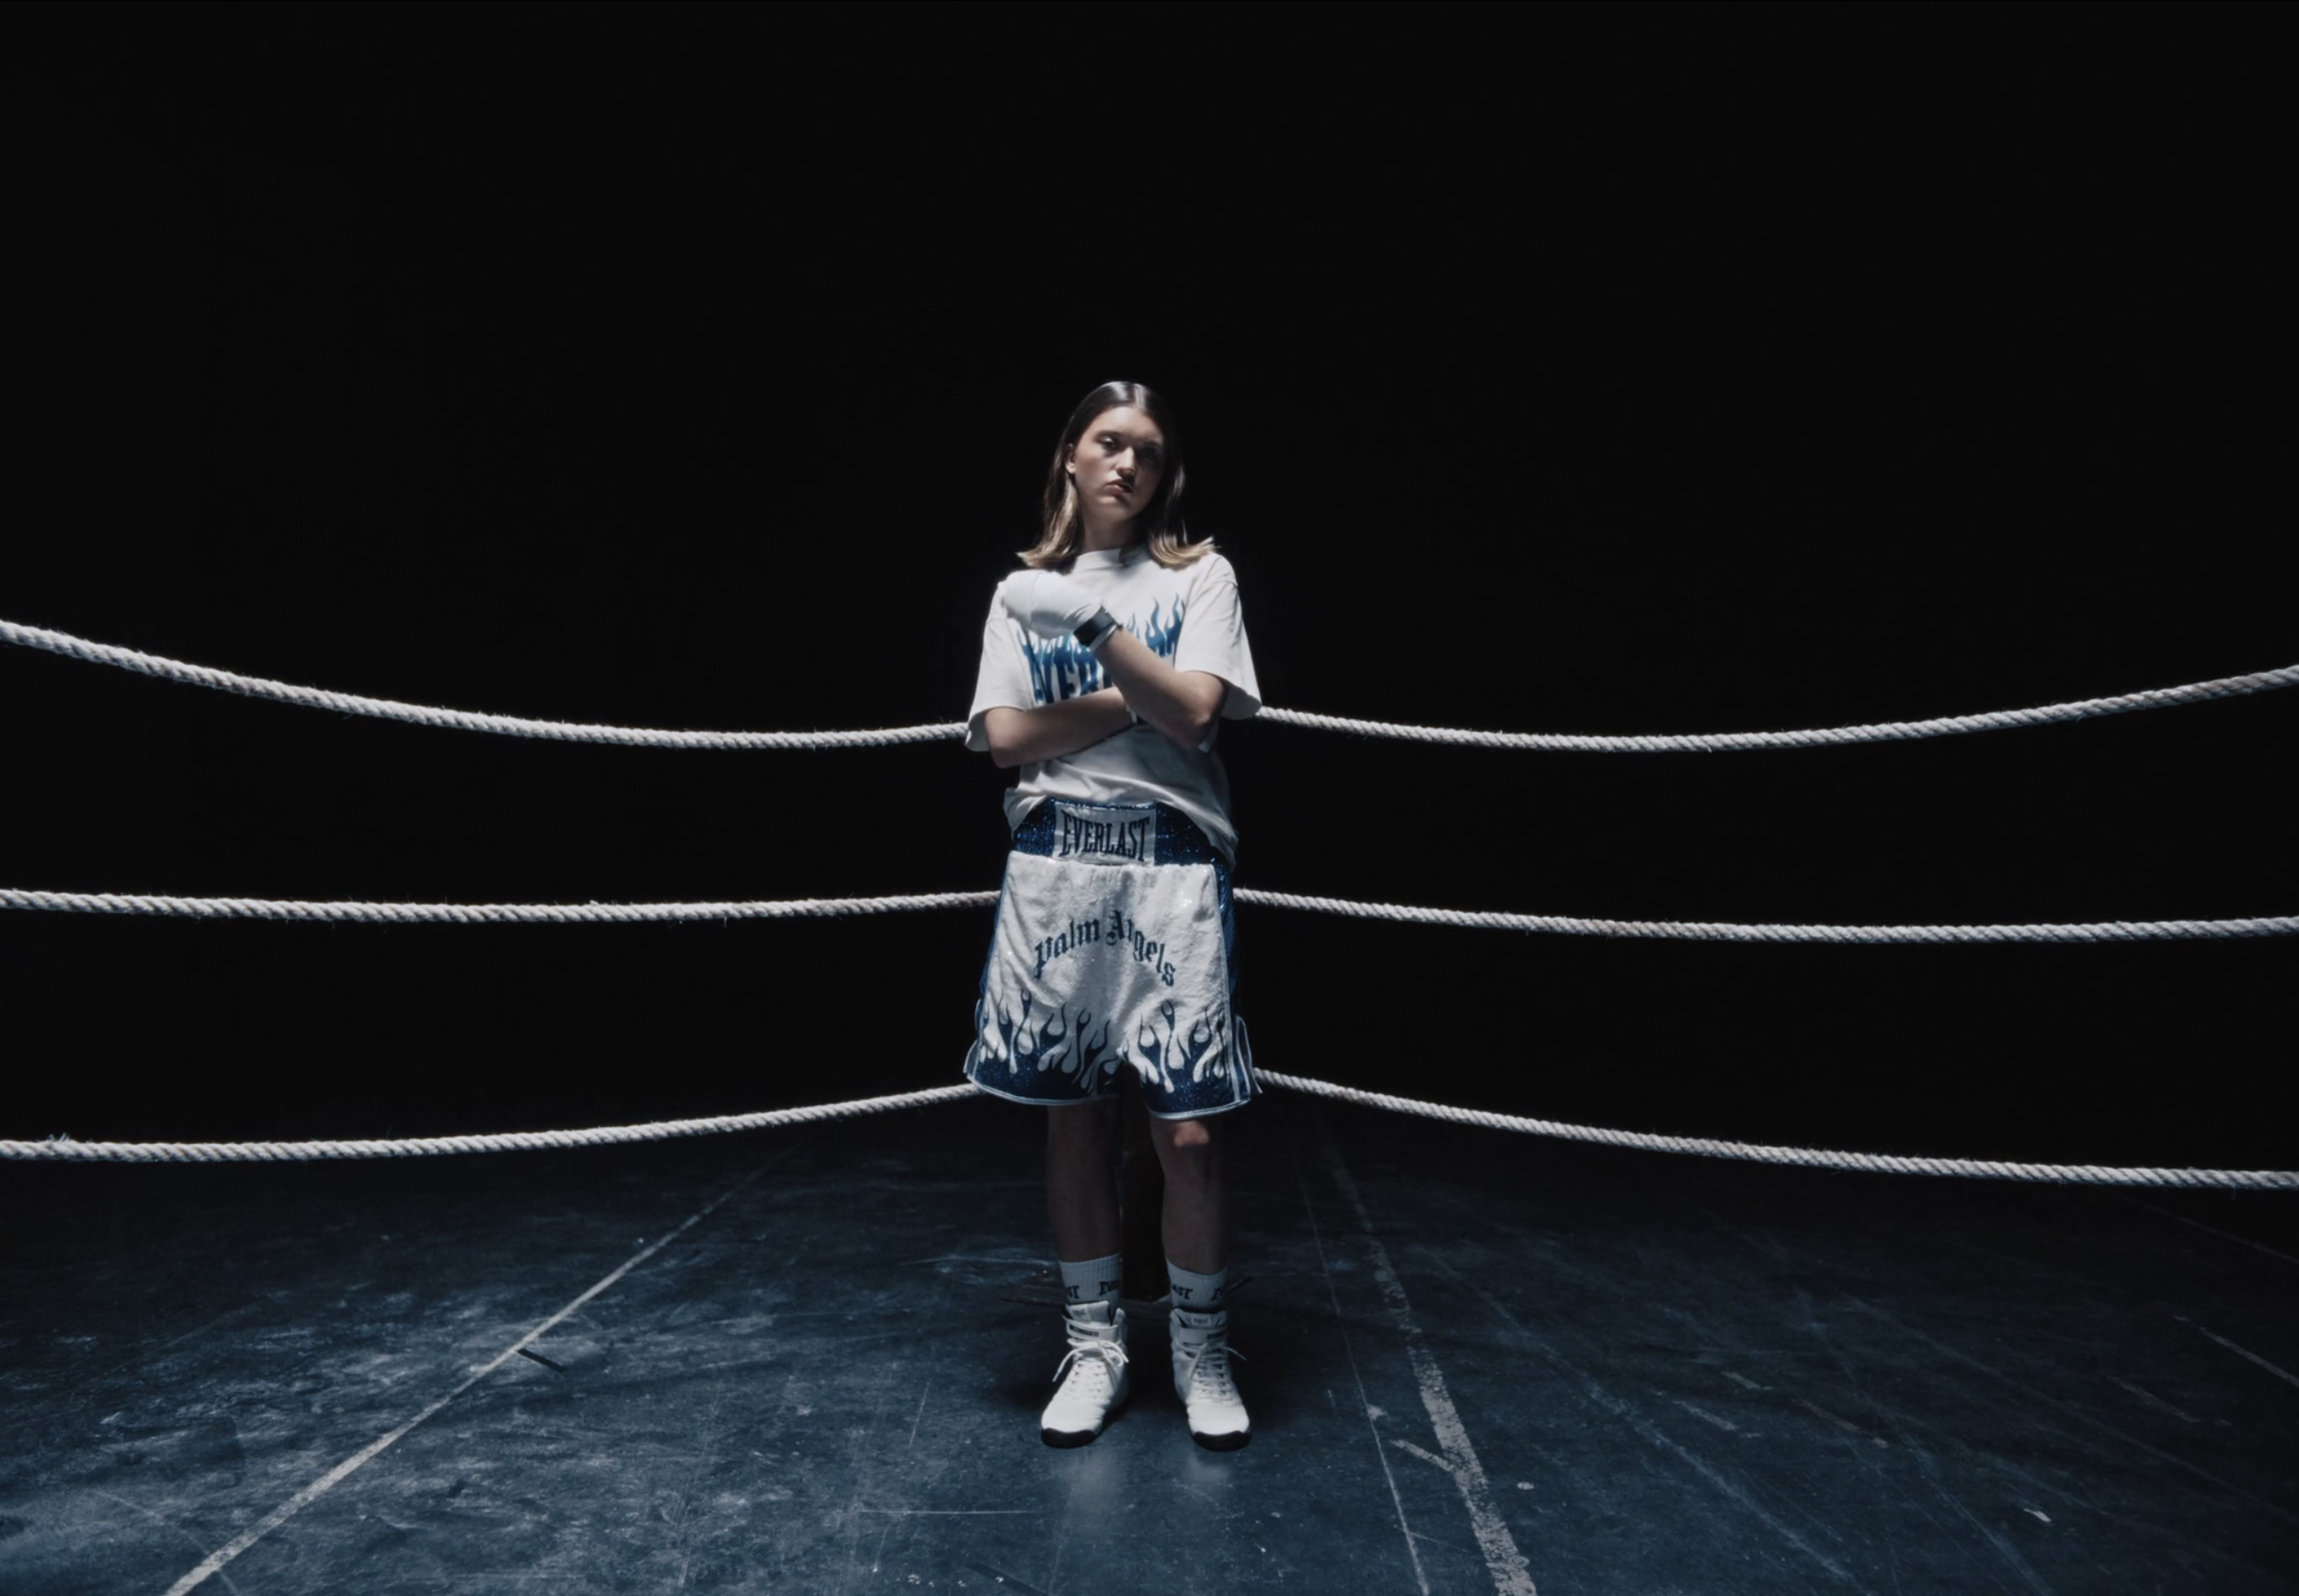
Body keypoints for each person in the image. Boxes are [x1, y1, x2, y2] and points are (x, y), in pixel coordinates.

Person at [963, 380, 1261, 1451]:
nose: (1126, 462)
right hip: (1055, 856)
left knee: (1189, 1129)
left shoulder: (1201, 575)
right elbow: (1004, 739)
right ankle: (1094, 1347)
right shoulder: (1021, 589)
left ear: (1164, 472)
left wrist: (1095, 631)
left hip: (1172, 859)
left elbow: (1197, 715)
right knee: (1074, 1117)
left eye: (1147, 449)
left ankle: (1199, 1347)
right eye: (1107, 441)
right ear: (1071, 455)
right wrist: (1142, 692)